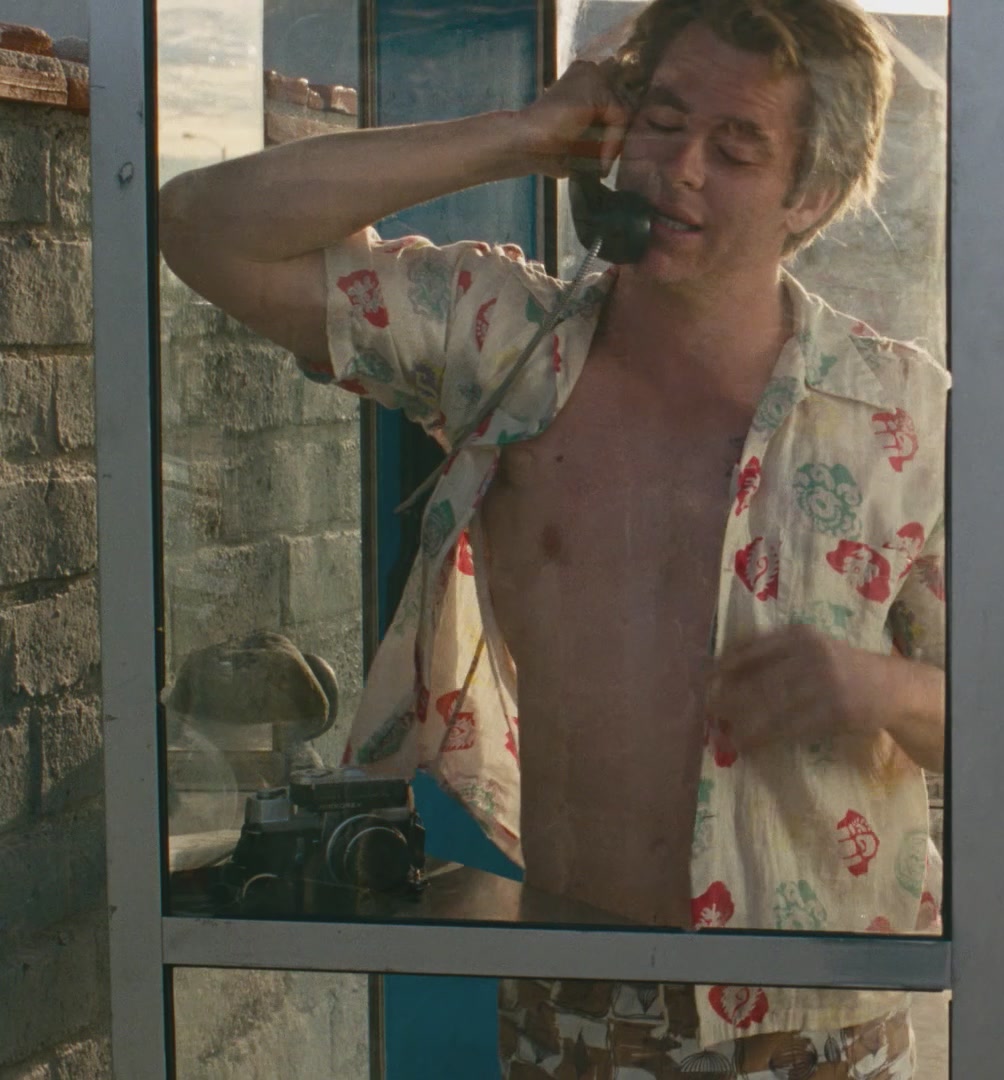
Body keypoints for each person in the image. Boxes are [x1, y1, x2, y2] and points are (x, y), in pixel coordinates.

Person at [157, 2, 946, 1076]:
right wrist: (523, 135)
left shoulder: (902, 417)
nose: (680, 170)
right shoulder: (503, 343)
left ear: (810, 192)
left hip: (816, 1019)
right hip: (577, 1002)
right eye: (662, 121)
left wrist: (880, 689)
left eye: (736, 148)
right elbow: (202, 227)